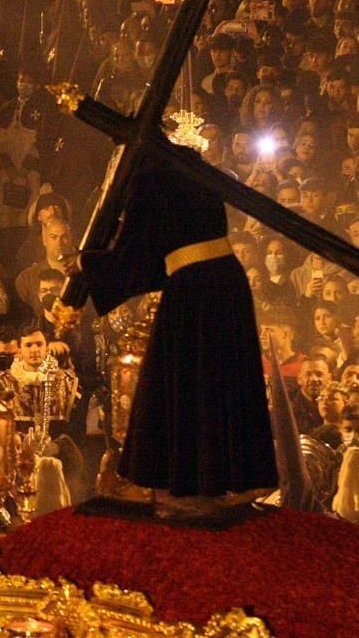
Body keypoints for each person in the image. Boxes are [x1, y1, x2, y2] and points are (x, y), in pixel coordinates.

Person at [62, 161, 277, 518]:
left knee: (188, 387)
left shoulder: (149, 176)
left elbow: (137, 258)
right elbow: (156, 258)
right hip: (224, 278)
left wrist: (86, 264)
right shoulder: (182, 165)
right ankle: (237, 479)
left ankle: (191, 489)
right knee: (224, 382)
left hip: (194, 290)